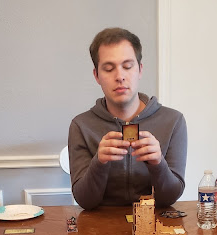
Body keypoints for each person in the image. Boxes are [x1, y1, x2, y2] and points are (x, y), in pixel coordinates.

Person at [68, 28, 187, 210]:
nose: (120, 77)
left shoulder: (173, 121)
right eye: (109, 69)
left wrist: (158, 163)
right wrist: (99, 163)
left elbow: (170, 198)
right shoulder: (81, 126)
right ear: (96, 76)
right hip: (100, 224)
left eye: (128, 66)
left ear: (140, 70)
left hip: (154, 222)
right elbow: (85, 201)